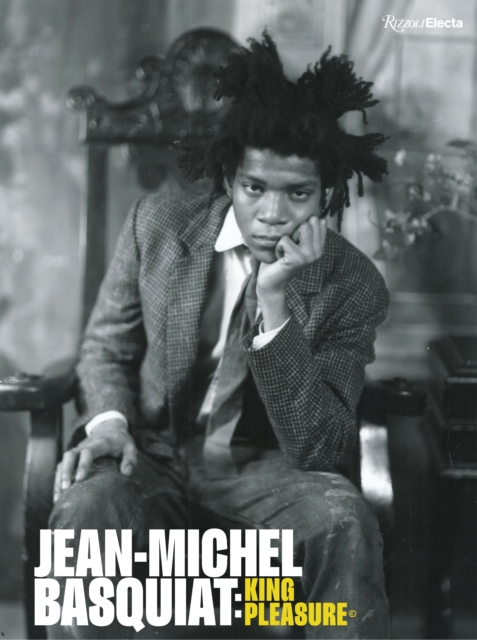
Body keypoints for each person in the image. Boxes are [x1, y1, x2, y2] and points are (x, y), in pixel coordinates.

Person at [50, 33, 390, 639]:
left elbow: (318, 446)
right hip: (153, 454)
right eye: (255, 187)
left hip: (273, 471)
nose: (272, 214)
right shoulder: (157, 225)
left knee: (344, 520)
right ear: (230, 177)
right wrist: (109, 423)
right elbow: (107, 346)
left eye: (298, 193)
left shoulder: (353, 284)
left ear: (328, 194)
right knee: (84, 509)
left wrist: (275, 301)